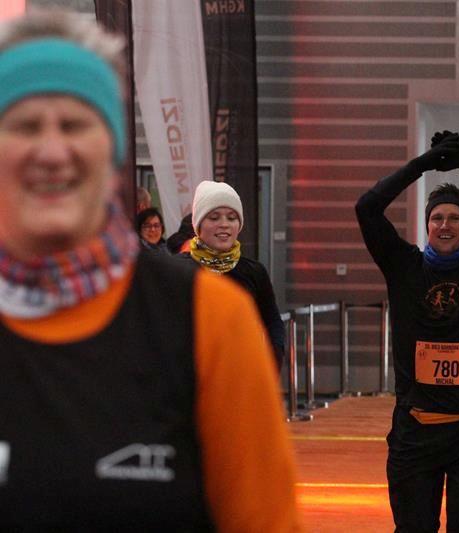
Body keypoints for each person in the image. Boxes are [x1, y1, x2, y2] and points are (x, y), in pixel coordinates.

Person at [0, 9, 300, 532]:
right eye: (24, 125)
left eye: (75, 123)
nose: (51, 151)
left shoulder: (208, 319)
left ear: (112, 149)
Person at [356, 131, 459, 532]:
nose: (445, 225)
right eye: (437, 217)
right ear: (426, 225)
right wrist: (423, 164)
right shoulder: (403, 266)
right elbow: (367, 207)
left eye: (455, 218)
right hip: (414, 433)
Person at [185, 180, 286, 370]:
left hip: (241, 373)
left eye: (232, 218)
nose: (224, 224)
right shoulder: (177, 270)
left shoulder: (254, 272)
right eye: (214, 218)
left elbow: (272, 321)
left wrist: (273, 360)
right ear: (198, 225)